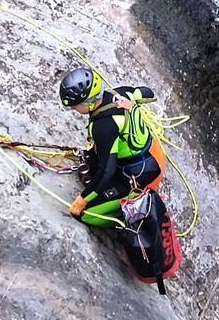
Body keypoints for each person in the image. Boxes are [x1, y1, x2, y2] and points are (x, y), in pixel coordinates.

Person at [58, 66, 181, 291]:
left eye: (76, 107)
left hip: (140, 177)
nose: (75, 110)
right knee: (95, 156)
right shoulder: (120, 93)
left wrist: (82, 200)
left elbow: (106, 172)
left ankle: (128, 213)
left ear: (88, 103)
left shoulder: (103, 126)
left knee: (88, 216)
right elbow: (148, 93)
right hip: (153, 155)